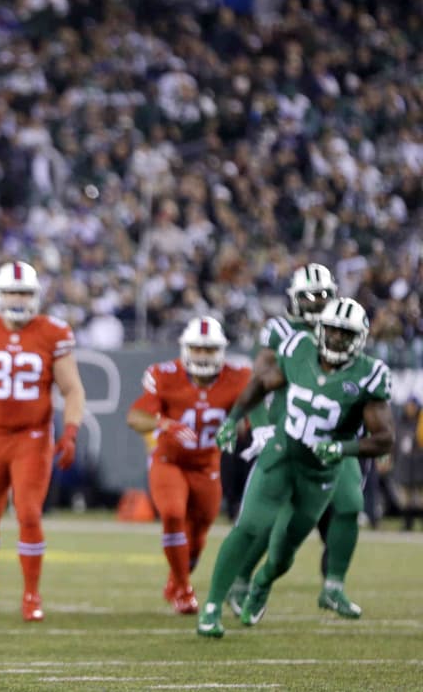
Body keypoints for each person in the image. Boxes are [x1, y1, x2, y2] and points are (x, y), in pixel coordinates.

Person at [198, 298, 393, 638]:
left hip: (320, 473)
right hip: (282, 454)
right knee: (249, 526)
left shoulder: (368, 375)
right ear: (320, 329)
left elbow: (385, 438)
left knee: (282, 555)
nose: (336, 338)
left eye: (345, 333)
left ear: (360, 338)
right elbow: (261, 383)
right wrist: (234, 418)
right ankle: (212, 607)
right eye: (332, 330)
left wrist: (344, 448)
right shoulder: (298, 348)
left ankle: (262, 582)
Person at [224, 263, 367, 618]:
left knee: (350, 504)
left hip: (334, 437)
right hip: (291, 434)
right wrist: (260, 426)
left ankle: (333, 586)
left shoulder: (344, 326)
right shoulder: (281, 331)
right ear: (293, 298)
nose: (317, 303)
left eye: (323, 296)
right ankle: (241, 580)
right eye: (309, 296)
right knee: (269, 517)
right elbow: (258, 383)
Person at [0, 261, 86, 622]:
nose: (18, 299)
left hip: (32, 438)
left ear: (35, 296)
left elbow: (72, 389)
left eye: (24, 293)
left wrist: (71, 431)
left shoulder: (52, 332)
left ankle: (31, 595)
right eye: (12, 292)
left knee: (28, 513)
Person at [126, 316, 249, 614]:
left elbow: (250, 419)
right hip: (169, 461)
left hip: (208, 465)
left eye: (209, 350)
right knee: (172, 514)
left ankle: (176, 580)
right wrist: (165, 424)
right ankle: (183, 588)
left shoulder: (239, 377)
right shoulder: (164, 374)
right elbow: (135, 417)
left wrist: (239, 427)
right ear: (185, 349)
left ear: (221, 351)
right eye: (197, 349)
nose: (202, 355)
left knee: (198, 534)